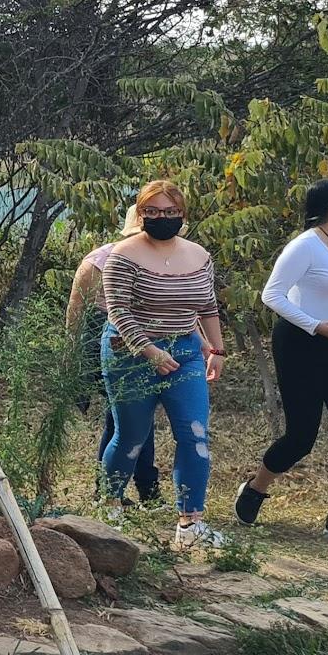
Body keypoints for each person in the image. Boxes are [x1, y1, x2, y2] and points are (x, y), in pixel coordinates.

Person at [234, 179, 328, 544]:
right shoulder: (306, 245)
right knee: (301, 436)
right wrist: (315, 326)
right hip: (302, 345)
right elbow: (272, 294)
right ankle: (255, 488)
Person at [99, 179, 226, 548]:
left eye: (170, 212)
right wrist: (149, 351)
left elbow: (207, 306)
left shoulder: (199, 255)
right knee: (132, 436)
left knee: (195, 434)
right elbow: (118, 310)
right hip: (130, 353)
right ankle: (111, 506)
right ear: (140, 215)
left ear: (182, 214)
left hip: (185, 351)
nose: (162, 218)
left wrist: (215, 351)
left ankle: (190, 524)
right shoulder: (122, 255)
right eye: (152, 212)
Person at [66, 224, 162, 503]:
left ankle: (127, 487)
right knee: (126, 416)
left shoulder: (164, 259)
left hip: (146, 340)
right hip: (106, 339)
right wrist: (72, 356)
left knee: (131, 416)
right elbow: (76, 310)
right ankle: (131, 488)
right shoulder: (100, 260)